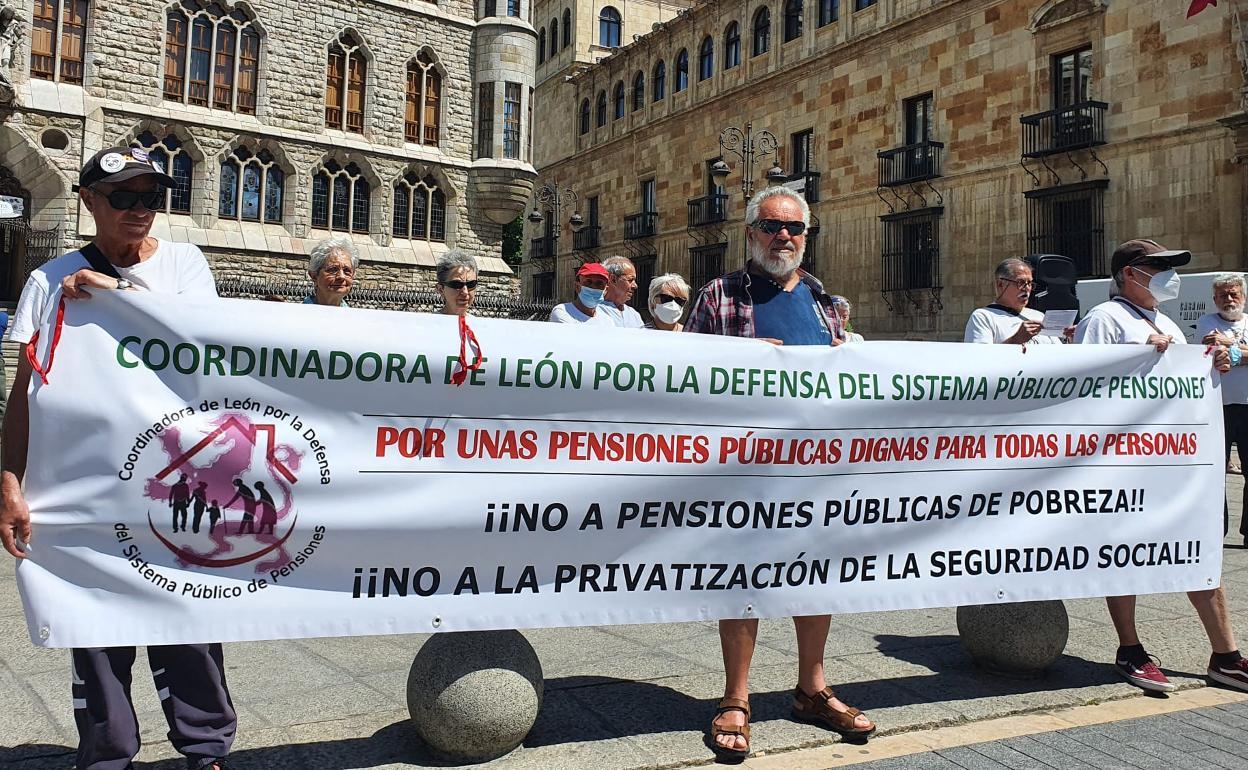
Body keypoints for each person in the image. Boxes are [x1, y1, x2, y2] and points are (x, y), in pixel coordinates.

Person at [0, 146, 237, 770]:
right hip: (87, 486)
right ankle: (107, 755)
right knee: (99, 635)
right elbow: (23, 393)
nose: (140, 211)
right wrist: (9, 485)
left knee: (186, 621)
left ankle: (206, 749)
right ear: (87, 202)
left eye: (151, 198)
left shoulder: (185, 265)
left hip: (173, 484)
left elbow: (206, 348)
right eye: (123, 198)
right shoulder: (48, 281)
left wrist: (117, 294)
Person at [686, 187, 863, 760]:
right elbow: (681, 377)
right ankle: (735, 698)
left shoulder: (827, 303)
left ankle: (812, 688)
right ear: (750, 233)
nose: (782, 236)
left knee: (819, 576)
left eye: (793, 228)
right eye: (770, 226)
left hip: (816, 470)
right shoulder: (720, 295)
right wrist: (738, 364)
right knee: (743, 580)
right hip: (744, 469)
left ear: (806, 236)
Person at [1076, 238, 1248, 694]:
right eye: (1160, 267)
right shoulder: (1104, 319)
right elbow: (1080, 381)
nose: (1170, 276)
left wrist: (1214, 362)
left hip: (1171, 460)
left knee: (1198, 546)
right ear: (1131, 273)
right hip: (1123, 461)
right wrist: (1132, 358)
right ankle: (1130, 648)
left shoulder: (1165, 320)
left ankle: (1226, 655)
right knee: (1124, 552)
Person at [1196, 273, 1248, 541]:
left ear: (1243, 297)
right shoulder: (1207, 322)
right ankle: (1217, 532)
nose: (1229, 299)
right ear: (1214, 299)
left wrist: (1233, 349)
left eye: (1234, 294)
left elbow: (1227, 352)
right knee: (1216, 473)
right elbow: (1211, 354)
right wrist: (1241, 352)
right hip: (1219, 408)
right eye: (1223, 295)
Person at [964, 258, 1063, 345]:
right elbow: (979, 360)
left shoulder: (1040, 316)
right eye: (1020, 282)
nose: (1026, 288)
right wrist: (1015, 340)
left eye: (1029, 283)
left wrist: (1071, 339)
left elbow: (1059, 355)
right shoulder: (983, 317)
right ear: (1000, 284)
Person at [549, 262, 616, 325]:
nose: (593, 287)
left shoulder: (608, 321)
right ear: (577, 287)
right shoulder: (563, 312)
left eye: (599, 283)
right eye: (588, 282)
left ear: (606, 290)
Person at [305, 235, 358, 307]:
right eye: (333, 269)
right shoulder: (297, 315)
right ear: (314, 276)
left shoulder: (354, 317)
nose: (341, 276)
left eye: (347, 270)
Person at [596, 255, 644, 328]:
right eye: (630, 280)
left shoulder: (634, 315)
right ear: (613, 279)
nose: (635, 286)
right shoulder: (595, 311)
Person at [436, 249, 479, 316]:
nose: (465, 292)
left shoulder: (479, 325)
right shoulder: (426, 325)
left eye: (471, 284)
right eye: (457, 284)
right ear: (441, 289)